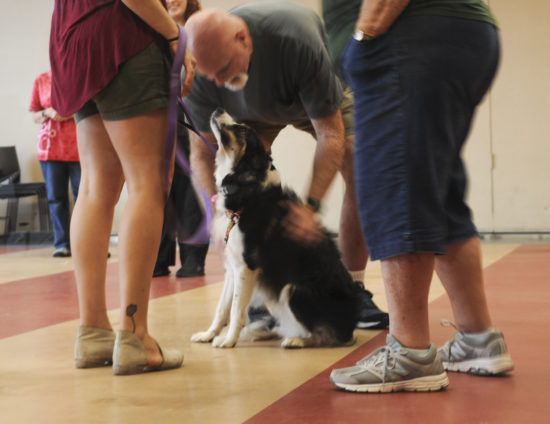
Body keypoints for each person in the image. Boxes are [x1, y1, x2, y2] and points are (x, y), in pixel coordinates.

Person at [328, 0, 514, 393]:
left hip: (403, 37)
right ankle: (477, 340)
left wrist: (366, 34)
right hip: (450, 36)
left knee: (397, 184)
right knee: (436, 191)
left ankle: (409, 352)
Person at [183, 0, 388, 329]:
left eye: (223, 70)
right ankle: (266, 297)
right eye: (211, 76)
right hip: (250, 114)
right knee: (242, 206)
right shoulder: (200, 70)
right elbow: (201, 152)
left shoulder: (296, 40)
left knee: (358, 165)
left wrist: (310, 206)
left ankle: (352, 287)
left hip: (312, 99)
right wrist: (218, 215)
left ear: (242, 39)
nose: (218, 82)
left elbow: (330, 134)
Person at [49, 0, 194, 375]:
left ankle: (93, 331)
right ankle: (135, 337)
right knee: (148, 183)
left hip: (72, 39)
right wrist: (174, 33)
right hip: (125, 33)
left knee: (95, 187)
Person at [154, 0, 208, 279]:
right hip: (158, 119)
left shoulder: (199, 29)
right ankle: (157, 259)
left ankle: (193, 259)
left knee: (189, 191)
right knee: (157, 189)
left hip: (192, 118)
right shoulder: (150, 28)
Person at [29, 70, 80, 258]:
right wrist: (48, 112)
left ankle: (87, 244)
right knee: (56, 198)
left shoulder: (79, 76)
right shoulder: (41, 79)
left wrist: (70, 113)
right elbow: (34, 114)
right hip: (50, 149)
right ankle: (62, 244)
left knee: (85, 197)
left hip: (80, 147)